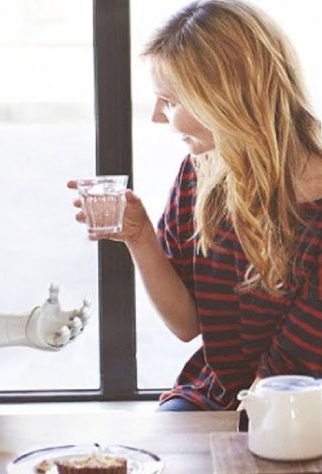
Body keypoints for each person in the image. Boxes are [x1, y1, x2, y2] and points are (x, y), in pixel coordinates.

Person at [70, 0, 322, 411]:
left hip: (303, 402)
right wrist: (139, 237)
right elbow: (187, 326)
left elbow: (285, 374)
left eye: (169, 100)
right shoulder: (199, 174)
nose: (156, 116)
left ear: (226, 98)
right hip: (220, 392)